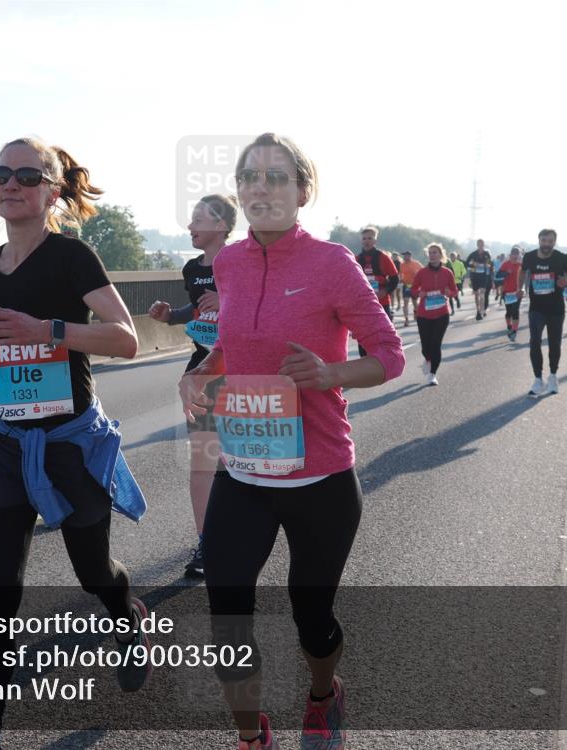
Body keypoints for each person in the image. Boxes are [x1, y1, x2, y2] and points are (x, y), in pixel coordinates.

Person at [179, 132, 405, 750]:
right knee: (226, 617)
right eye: (249, 176)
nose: (260, 187)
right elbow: (232, 344)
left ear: (303, 191)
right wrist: (201, 373)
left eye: (276, 177)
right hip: (245, 472)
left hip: (321, 478)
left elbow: (389, 355)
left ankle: (324, 693)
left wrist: (332, 374)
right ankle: (253, 737)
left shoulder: (332, 264)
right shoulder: (227, 263)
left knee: (312, 621)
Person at [0, 137, 149, 750]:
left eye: (28, 175)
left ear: (53, 192)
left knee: (93, 572)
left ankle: (125, 614)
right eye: (1, 172)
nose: (11, 183)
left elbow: (126, 339)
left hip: (69, 442)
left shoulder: (72, 258)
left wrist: (47, 329)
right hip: (5, 443)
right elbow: (10, 351)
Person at [148, 194, 237, 577]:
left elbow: (263, 308)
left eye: (199, 218)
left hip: (243, 373)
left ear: (220, 225)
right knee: (204, 461)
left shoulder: (242, 261)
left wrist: (230, 297)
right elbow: (198, 309)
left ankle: (249, 532)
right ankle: (207, 545)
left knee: (239, 461)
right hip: (202, 370)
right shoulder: (190, 269)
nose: (191, 225)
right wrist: (171, 316)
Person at [519, 229, 567, 397]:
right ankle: (538, 379)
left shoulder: (562, 258)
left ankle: (553, 376)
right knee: (535, 342)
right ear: (539, 240)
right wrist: (520, 288)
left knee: (554, 343)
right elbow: (523, 272)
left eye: (550, 241)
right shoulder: (530, 257)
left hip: (556, 308)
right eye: (544, 240)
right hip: (536, 308)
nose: (546, 244)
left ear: (554, 241)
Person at [410, 243, 459, 386]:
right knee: (426, 347)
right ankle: (428, 358)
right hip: (424, 314)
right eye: (430, 253)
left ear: (441, 255)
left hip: (442, 313)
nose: (432, 255)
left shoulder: (447, 272)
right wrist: (420, 293)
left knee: (436, 344)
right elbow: (413, 290)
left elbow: (454, 291)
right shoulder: (422, 272)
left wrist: (451, 293)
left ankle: (432, 374)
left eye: (435, 252)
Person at [355, 226, 399, 328]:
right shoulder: (356, 259)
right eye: (364, 238)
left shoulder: (383, 257)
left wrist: (385, 291)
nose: (367, 241)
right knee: (364, 337)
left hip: (382, 302)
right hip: (363, 304)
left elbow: (394, 279)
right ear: (361, 241)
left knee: (383, 335)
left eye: (370, 238)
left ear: (375, 240)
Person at [500, 247, 524, 341]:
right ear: (510, 255)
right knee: (509, 312)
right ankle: (509, 326)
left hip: (517, 292)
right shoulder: (505, 264)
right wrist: (506, 273)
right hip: (507, 292)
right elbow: (498, 275)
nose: (515, 256)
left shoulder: (521, 265)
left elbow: (526, 276)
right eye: (513, 254)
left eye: (516, 254)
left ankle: (514, 331)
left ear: (518, 255)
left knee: (515, 311)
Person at [465, 239, 493, 320]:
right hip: (475, 276)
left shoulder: (486, 254)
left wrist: (485, 264)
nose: (480, 245)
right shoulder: (473, 254)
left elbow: (489, 264)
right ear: (477, 245)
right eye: (479, 244)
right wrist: (473, 265)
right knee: (476, 294)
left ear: (484, 245)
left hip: (484, 276)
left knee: (482, 293)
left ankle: (482, 310)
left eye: (482, 244)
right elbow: (467, 263)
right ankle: (478, 311)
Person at [398, 249, 423, 327]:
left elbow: (423, 272)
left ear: (409, 256)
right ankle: (406, 319)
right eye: (404, 256)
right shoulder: (402, 265)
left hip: (415, 286)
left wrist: (418, 276)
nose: (404, 257)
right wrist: (401, 279)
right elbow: (400, 274)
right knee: (405, 302)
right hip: (406, 285)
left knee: (415, 303)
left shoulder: (416, 263)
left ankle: (416, 311)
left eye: (405, 255)